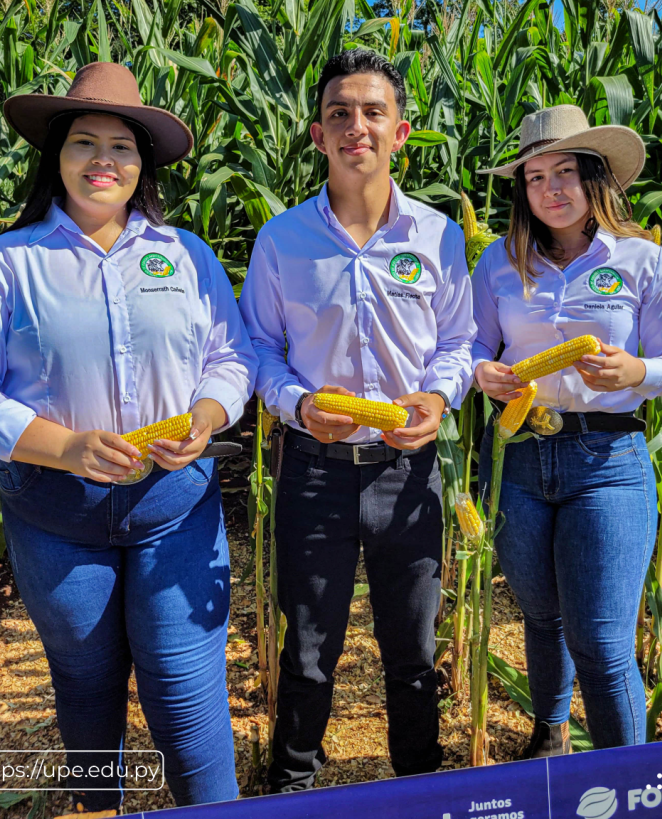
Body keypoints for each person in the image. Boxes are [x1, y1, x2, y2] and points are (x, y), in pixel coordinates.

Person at [0, 62, 258, 811]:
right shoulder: (7, 264)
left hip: (172, 505)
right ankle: (99, 806)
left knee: (184, 689)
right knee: (86, 685)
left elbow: (232, 357)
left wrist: (207, 418)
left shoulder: (185, 256)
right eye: (84, 142)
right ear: (56, 156)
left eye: (121, 145)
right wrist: (65, 447)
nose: (103, 160)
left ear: (141, 164)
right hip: (56, 511)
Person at [239, 48, 476, 792]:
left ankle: (420, 784)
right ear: (317, 134)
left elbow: (460, 342)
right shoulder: (282, 240)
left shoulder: (437, 237)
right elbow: (258, 348)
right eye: (339, 113)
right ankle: (294, 784)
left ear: (401, 132)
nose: (356, 127)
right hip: (313, 470)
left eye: (373, 112)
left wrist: (438, 400)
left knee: (412, 650)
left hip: (409, 474)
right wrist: (298, 406)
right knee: (308, 650)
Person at [471, 105, 662, 755]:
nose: (549, 188)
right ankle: (550, 743)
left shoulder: (642, 261)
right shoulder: (499, 261)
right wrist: (482, 373)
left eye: (565, 172)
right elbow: (466, 346)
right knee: (542, 620)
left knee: (600, 641)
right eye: (535, 176)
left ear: (595, 177)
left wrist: (638, 368)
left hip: (606, 458)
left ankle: (626, 780)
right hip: (516, 458)